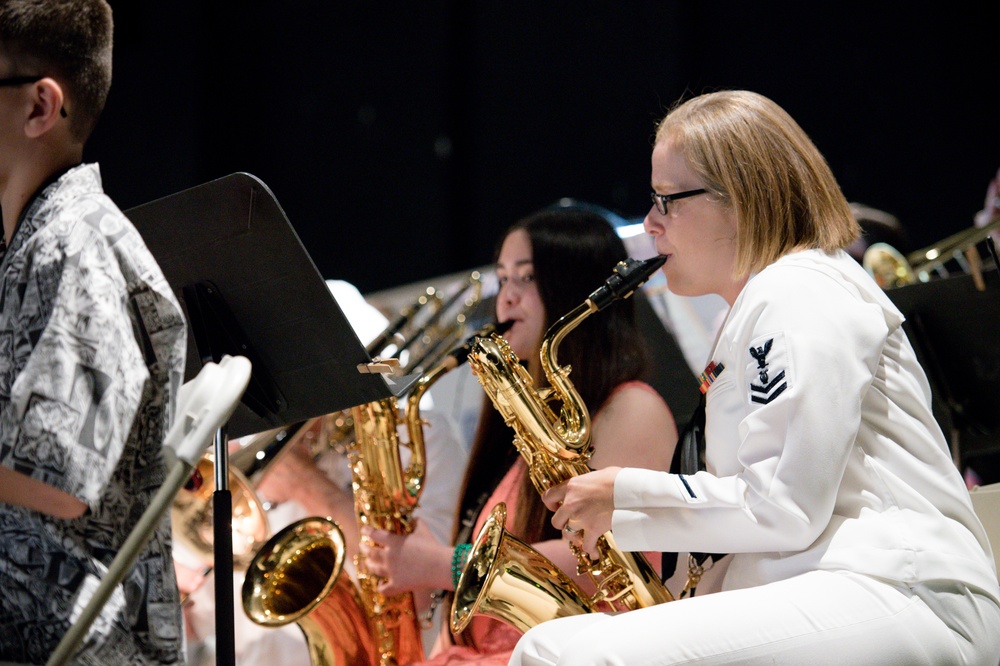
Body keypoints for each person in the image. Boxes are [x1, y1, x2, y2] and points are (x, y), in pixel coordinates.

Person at [510, 89, 1000, 666]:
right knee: (550, 643)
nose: (649, 225)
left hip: (903, 589)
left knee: (577, 659)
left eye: (667, 201)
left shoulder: (800, 289)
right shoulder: (768, 302)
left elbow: (785, 507)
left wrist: (623, 495)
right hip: (839, 586)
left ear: (739, 199)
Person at [360, 208, 680, 665]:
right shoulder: (522, 426)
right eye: (503, 280)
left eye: (526, 279)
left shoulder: (632, 408)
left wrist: (441, 564)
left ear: (575, 288)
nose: (506, 300)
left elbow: (611, 559)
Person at [0, 1, 188, 663]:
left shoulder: (75, 246)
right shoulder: (36, 245)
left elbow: (55, 478)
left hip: (82, 640)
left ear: (38, 107)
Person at [178, 279, 470, 665]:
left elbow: (423, 593)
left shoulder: (423, 437)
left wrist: (308, 486)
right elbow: (194, 621)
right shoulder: (254, 446)